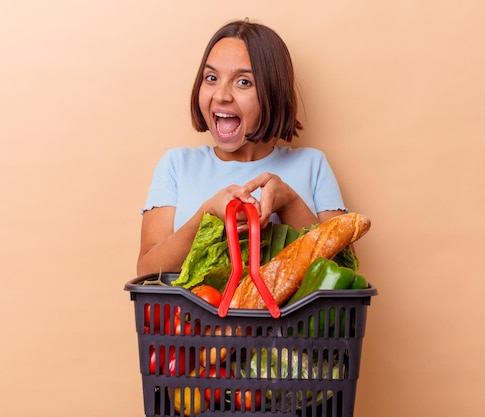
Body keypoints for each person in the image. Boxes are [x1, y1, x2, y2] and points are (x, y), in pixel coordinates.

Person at [137, 19, 348, 277]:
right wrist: (207, 215)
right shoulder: (177, 165)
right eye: (211, 78)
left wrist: (290, 203)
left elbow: (344, 275)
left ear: (272, 92)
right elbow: (146, 273)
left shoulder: (312, 165)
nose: (221, 95)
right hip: (192, 319)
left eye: (244, 82)